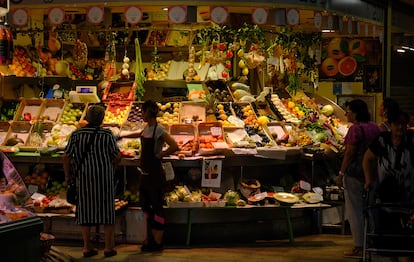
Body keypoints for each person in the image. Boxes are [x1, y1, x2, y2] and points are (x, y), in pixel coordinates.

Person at [63, 105, 121, 258]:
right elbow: (117, 156)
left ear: (87, 118)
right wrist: (111, 168)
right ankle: (108, 247)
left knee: (85, 211)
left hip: (83, 178)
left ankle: (87, 247)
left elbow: (67, 157)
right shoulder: (107, 134)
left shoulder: (77, 134)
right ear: (102, 119)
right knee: (107, 211)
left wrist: (68, 176)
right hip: (104, 178)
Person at [363, 111, 414, 262]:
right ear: (390, 125)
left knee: (408, 230)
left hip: (409, 193)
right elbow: (367, 159)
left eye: (404, 124)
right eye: (397, 124)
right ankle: (393, 259)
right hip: (386, 193)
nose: (401, 127)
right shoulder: (382, 140)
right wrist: (369, 179)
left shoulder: (411, 141)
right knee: (390, 229)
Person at [336, 99, 380, 259]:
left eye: (348, 111)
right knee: (372, 208)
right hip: (373, 173)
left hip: (355, 173)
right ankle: (373, 242)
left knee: (355, 210)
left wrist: (341, 173)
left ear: (355, 113)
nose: (346, 114)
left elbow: (349, 153)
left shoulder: (355, 129)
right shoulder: (375, 127)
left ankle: (359, 246)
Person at [138, 100, 178, 252]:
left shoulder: (159, 129)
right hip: (145, 174)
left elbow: (174, 146)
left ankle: (158, 240)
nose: (141, 113)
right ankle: (151, 237)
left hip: (155, 176)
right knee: (146, 206)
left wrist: (160, 154)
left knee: (157, 208)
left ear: (149, 112)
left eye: (143, 111)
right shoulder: (146, 129)